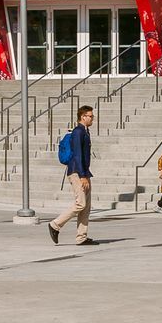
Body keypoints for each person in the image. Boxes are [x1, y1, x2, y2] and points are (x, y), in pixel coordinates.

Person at [50, 105, 95, 245]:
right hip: (76, 172)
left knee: (86, 206)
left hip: (84, 172)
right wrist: (82, 175)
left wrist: (86, 174)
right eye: (91, 116)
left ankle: (81, 237)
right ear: (83, 117)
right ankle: (55, 225)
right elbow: (77, 155)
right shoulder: (78, 132)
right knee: (80, 204)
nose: (93, 118)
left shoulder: (85, 132)